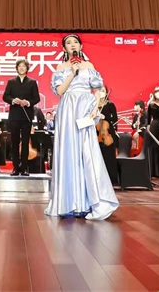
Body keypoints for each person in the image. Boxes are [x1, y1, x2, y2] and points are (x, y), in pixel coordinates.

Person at [45, 34, 118, 220]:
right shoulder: (61, 68)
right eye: (68, 43)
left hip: (85, 108)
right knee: (68, 151)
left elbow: (98, 90)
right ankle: (68, 202)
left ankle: (92, 202)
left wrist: (95, 108)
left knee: (87, 152)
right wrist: (72, 72)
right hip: (68, 109)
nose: (72, 45)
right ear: (64, 49)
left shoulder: (89, 66)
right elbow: (59, 91)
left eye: (75, 42)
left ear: (80, 46)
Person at [3, 59, 41, 177]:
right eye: (19, 66)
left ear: (27, 68)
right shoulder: (11, 82)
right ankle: (15, 168)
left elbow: (37, 98)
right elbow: (5, 96)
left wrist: (28, 102)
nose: (21, 68)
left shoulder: (32, 82)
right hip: (14, 116)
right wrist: (13, 100)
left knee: (25, 142)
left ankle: (24, 168)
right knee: (14, 142)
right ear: (17, 68)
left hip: (26, 116)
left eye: (24, 66)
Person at [95, 85, 119, 186]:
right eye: (100, 90)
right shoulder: (94, 104)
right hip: (96, 133)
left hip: (107, 132)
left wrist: (105, 117)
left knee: (109, 157)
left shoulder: (110, 104)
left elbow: (115, 119)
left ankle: (110, 179)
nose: (101, 92)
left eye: (103, 91)